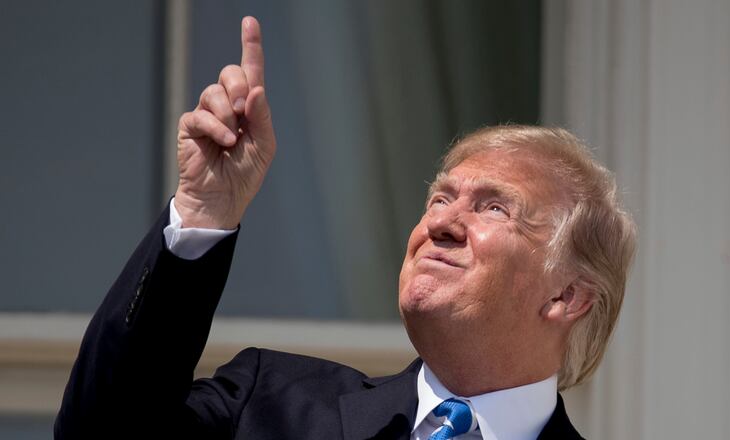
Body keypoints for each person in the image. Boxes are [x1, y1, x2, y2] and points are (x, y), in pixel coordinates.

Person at [56, 16, 636, 440]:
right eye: (440, 198)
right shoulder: (269, 405)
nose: (442, 222)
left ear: (567, 295)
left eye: (492, 208)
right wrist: (204, 213)